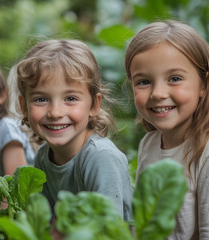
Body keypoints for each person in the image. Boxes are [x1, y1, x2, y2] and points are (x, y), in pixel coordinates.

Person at [125, 20, 209, 240]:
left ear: (204, 84)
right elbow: (142, 225)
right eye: (144, 82)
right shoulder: (149, 143)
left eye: (174, 79)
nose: (157, 93)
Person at [17, 39, 133, 221]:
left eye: (70, 98)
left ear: (94, 104)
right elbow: (47, 221)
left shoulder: (101, 158)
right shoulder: (43, 157)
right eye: (41, 99)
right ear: (24, 107)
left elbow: (109, 230)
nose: (55, 112)